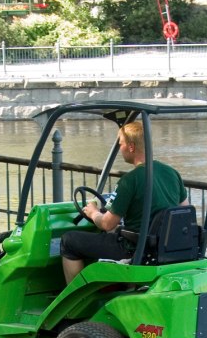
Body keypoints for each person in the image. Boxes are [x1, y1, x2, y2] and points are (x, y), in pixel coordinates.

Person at [60, 120, 190, 284]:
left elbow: (107, 224)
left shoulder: (129, 181)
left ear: (131, 147)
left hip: (134, 249)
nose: (120, 148)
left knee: (69, 241)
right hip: (164, 246)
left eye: (120, 144)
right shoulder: (172, 173)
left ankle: (76, 296)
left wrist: (93, 212)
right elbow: (184, 212)